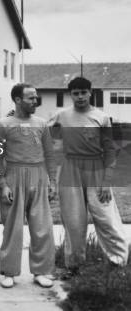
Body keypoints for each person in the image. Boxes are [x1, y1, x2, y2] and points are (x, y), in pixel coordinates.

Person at [51, 77, 128, 272]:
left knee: (106, 217)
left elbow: (110, 150)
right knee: (74, 220)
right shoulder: (61, 115)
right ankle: (74, 265)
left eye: (83, 92)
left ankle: (118, 261)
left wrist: (106, 180)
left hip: (96, 168)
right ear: (71, 95)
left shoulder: (101, 117)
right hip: (70, 169)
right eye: (75, 93)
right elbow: (41, 130)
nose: (80, 97)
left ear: (90, 92)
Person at [0, 83, 56, 288]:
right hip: (13, 175)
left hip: (38, 176)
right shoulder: (3, 124)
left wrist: (51, 181)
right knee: (13, 229)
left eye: (36, 97)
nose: (35, 101)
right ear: (18, 100)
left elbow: (49, 153)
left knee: (42, 228)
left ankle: (41, 271)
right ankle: (9, 272)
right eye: (30, 97)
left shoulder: (41, 123)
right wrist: (3, 185)